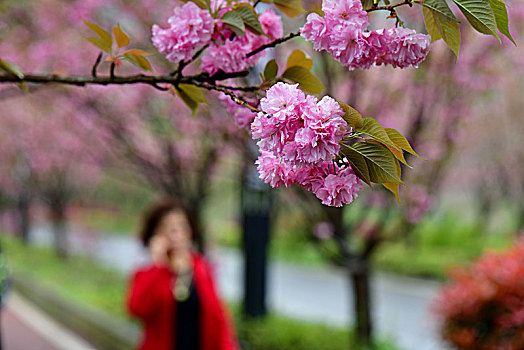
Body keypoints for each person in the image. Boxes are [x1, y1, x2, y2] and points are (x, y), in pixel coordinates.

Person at [126, 198, 239, 350]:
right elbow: (137, 309)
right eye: (166, 227)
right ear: (154, 234)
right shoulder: (148, 271)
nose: (175, 233)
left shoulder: (201, 268)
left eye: (181, 226)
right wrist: (158, 264)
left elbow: (217, 317)